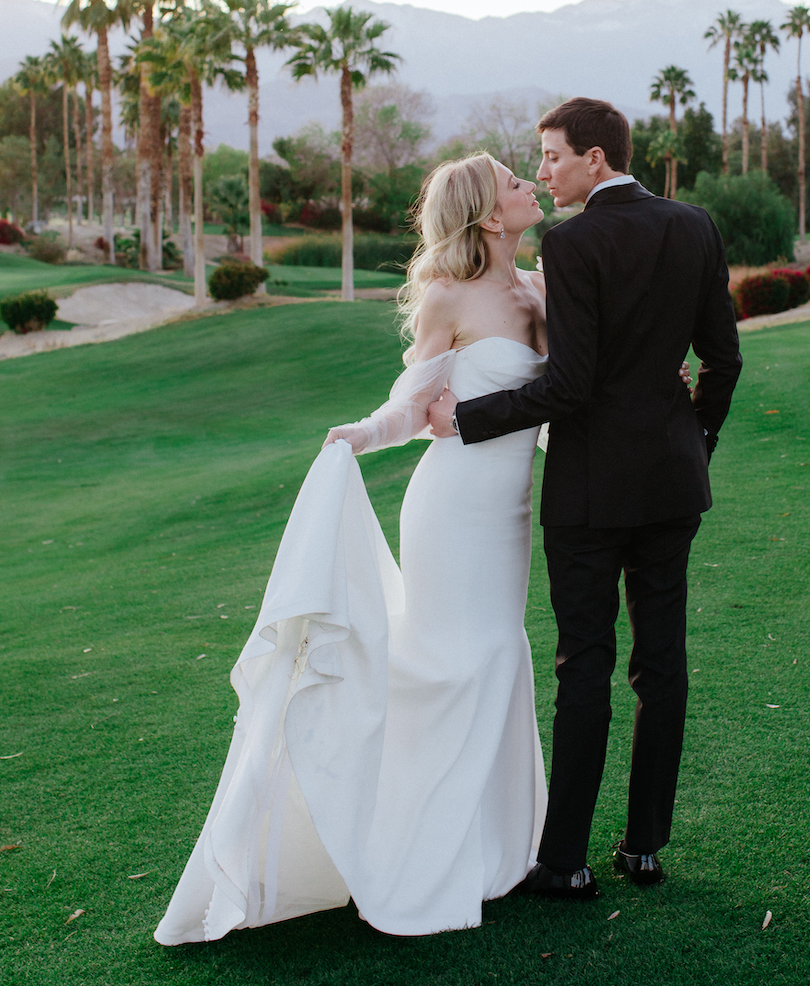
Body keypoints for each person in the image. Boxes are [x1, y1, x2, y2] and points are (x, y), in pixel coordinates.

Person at [155, 153, 552, 942]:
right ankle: (413, 852)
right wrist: (362, 436)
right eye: (514, 181)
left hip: (512, 508)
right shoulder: (448, 293)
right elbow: (410, 406)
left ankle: (498, 849)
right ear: (483, 211)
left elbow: (564, 392)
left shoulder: (540, 285)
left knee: (499, 655)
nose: (529, 184)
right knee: (451, 663)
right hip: (453, 506)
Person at [428, 96, 742, 899]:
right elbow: (722, 360)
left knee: (585, 666)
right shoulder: (696, 225)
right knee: (662, 664)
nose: (544, 171)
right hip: (673, 483)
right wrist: (693, 439)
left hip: (591, 493)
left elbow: (567, 385)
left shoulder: (573, 244)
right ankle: (642, 847)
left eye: (553, 156)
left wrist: (467, 416)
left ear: (595, 158)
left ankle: (564, 858)